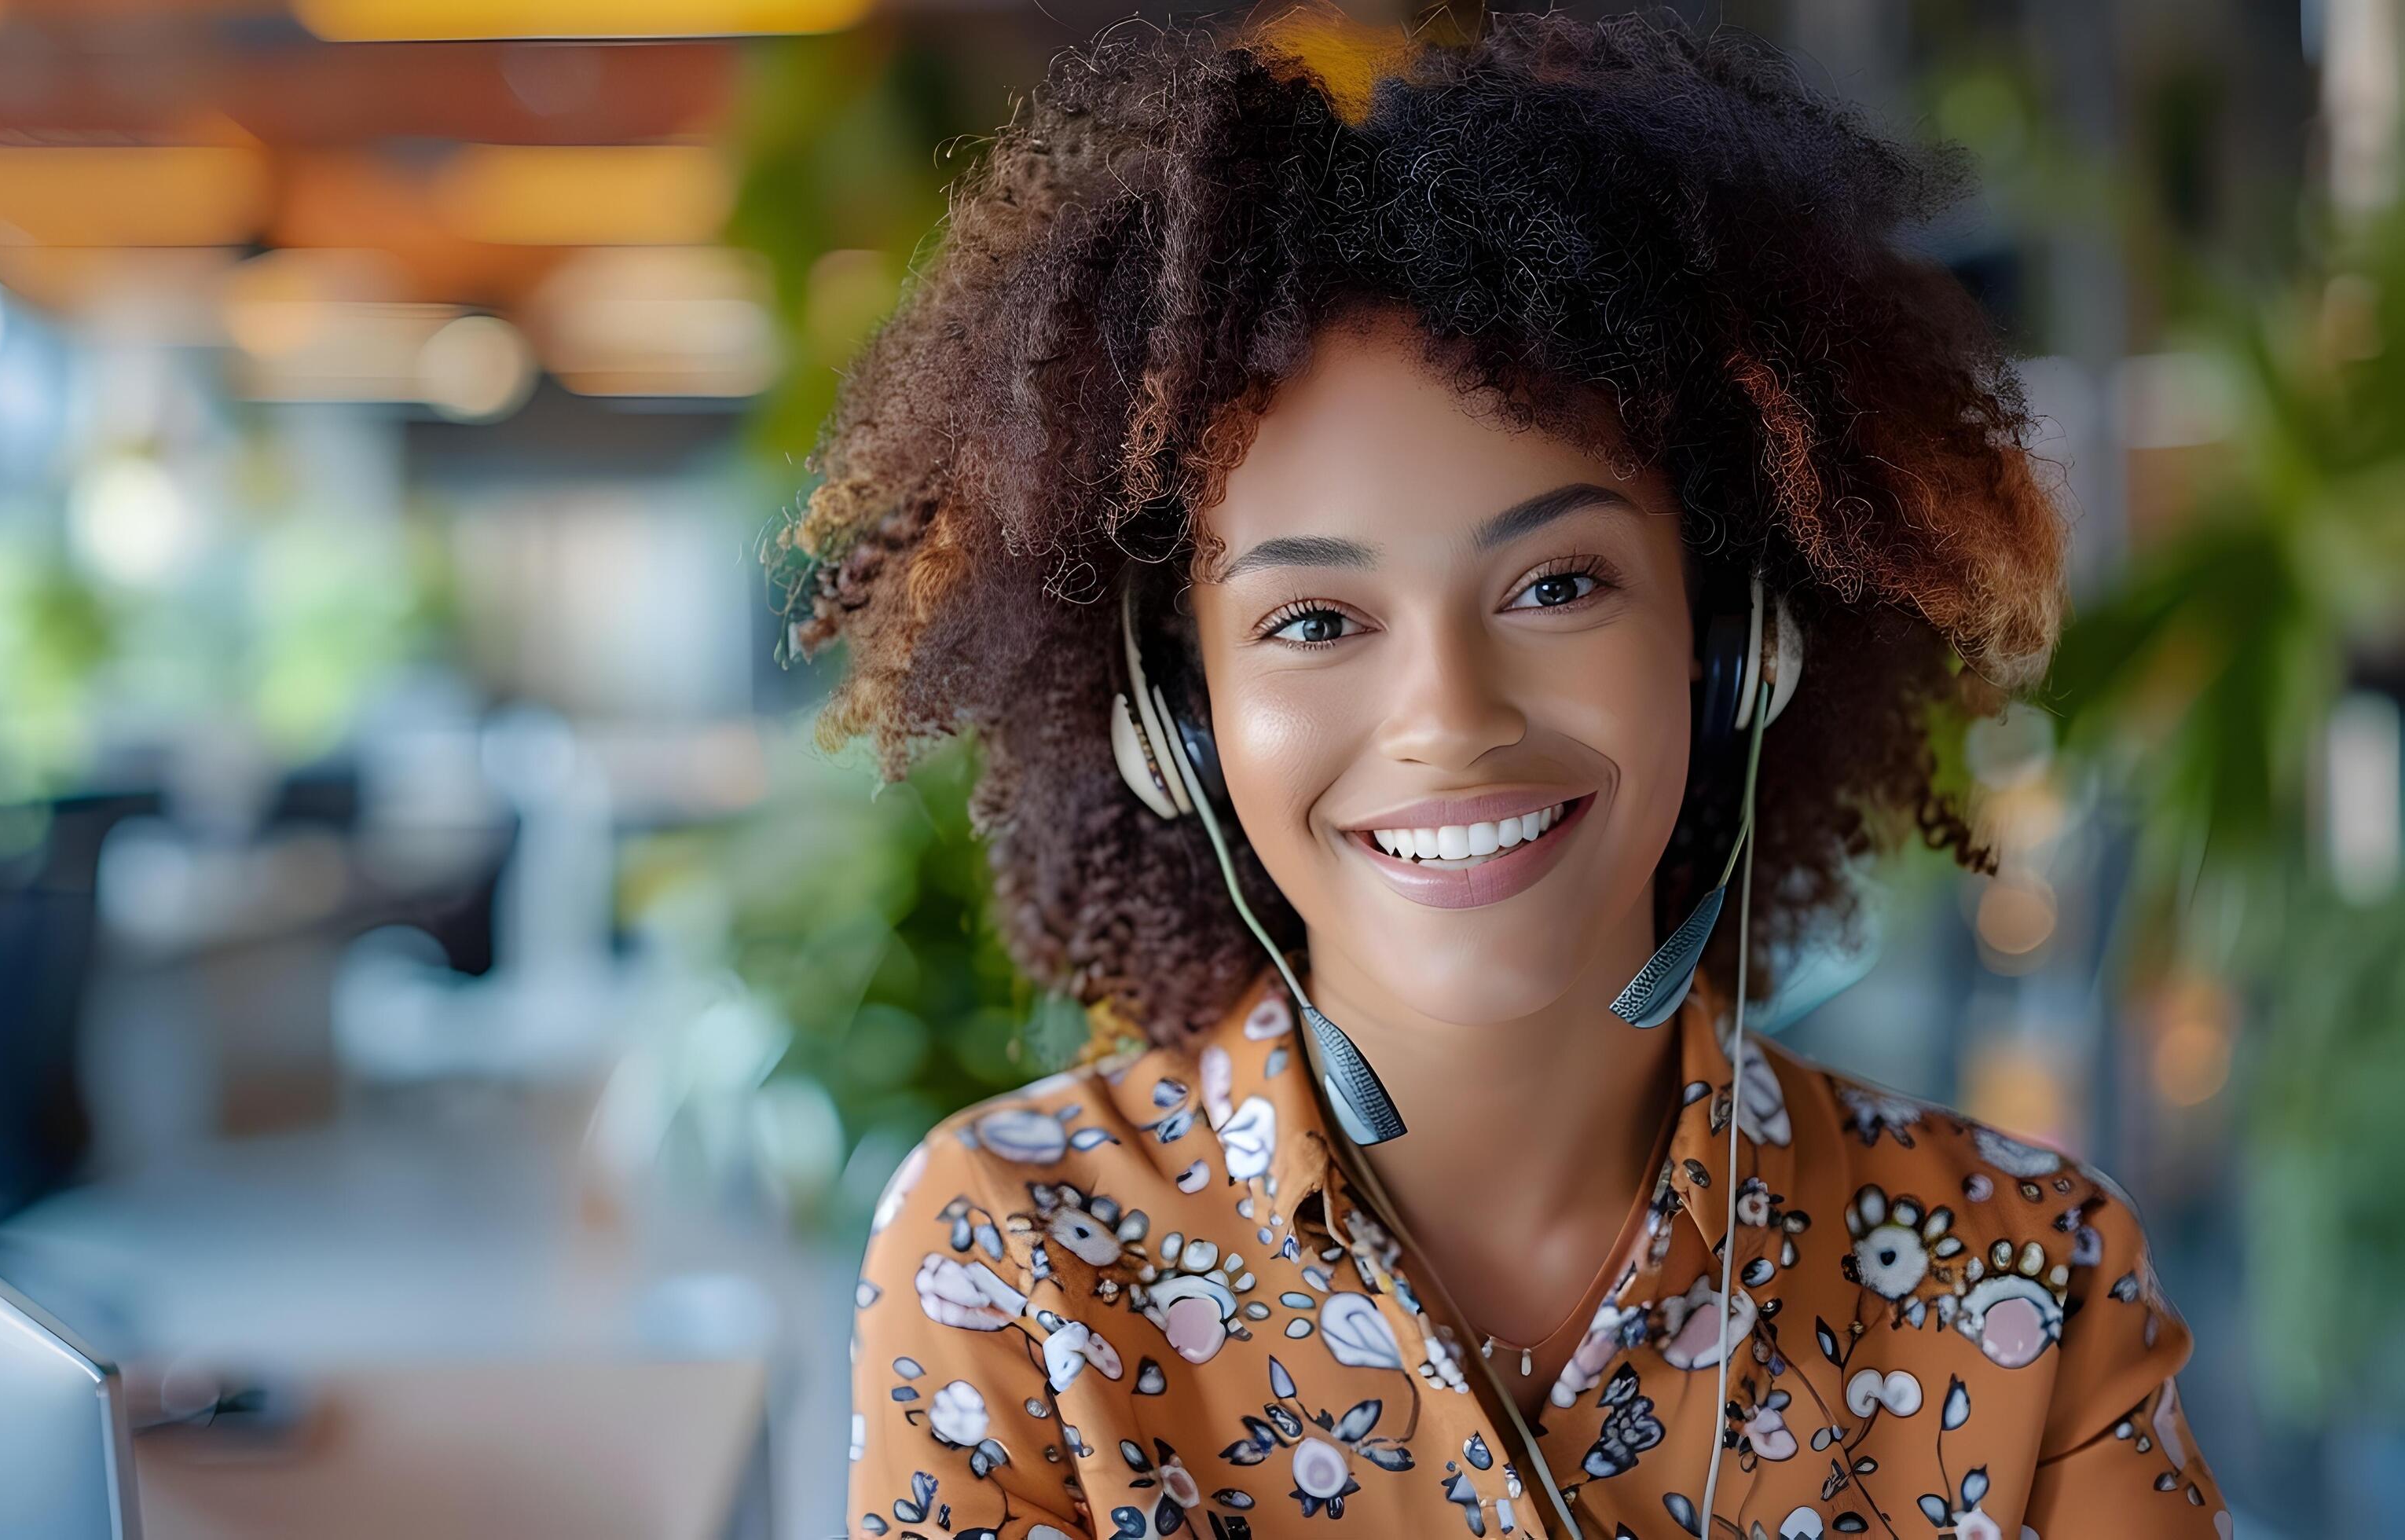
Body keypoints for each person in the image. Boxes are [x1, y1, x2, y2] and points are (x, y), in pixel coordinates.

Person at [783, 11, 2226, 1539]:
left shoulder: (2021, 1279)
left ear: (1734, 645)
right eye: (1316, 618)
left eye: (1556, 584)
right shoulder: (1016, 1257)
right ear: (1177, 711)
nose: (1449, 716)